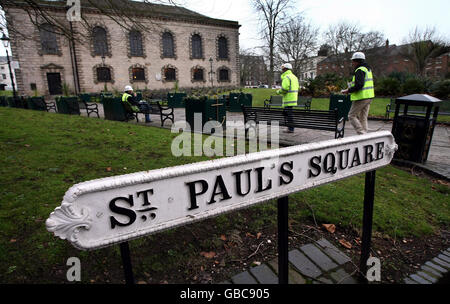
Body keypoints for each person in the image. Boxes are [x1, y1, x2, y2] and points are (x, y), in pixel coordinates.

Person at [341, 52, 375, 135]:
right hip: (369, 97)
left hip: (361, 97)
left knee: (351, 116)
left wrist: (348, 91)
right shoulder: (367, 69)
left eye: (353, 61)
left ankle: (361, 133)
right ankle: (365, 135)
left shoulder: (360, 70)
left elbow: (359, 85)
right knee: (363, 117)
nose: (352, 63)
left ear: (357, 61)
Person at [276, 63, 299, 133]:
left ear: (286, 69)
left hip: (288, 99)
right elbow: (297, 87)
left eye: (283, 69)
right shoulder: (294, 77)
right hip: (293, 98)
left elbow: (285, 89)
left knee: (289, 114)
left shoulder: (286, 77)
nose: (282, 70)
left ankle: (290, 129)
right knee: (286, 113)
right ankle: (289, 127)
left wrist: (278, 92)